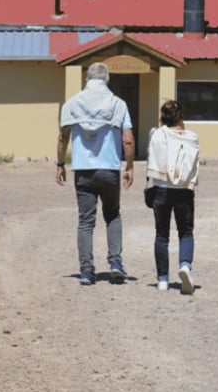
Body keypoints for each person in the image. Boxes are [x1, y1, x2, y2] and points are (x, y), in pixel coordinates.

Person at [57, 62, 134, 285]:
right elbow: (127, 139)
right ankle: (116, 263)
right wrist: (129, 166)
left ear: (86, 80)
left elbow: (63, 136)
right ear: (107, 79)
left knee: (85, 221)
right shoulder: (118, 104)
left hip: (83, 169)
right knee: (112, 215)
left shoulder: (72, 104)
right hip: (109, 168)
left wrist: (60, 163)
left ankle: (86, 271)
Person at [145, 99, 199, 293]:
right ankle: (185, 265)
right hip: (184, 190)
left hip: (161, 188)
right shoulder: (192, 137)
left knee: (161, 235)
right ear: (181, 116)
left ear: (163, 117)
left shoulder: (157, 134)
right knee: (185, 232)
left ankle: (162, 279)